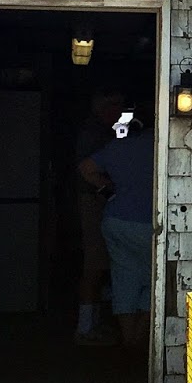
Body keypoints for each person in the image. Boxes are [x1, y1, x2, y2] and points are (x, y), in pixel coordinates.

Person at [77, 112, 156, 350]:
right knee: (154, 277)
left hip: (116, 221)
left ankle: (127, 337)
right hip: (149, 222)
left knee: (124, 278)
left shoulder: (117, 146)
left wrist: (109, 187)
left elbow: (85, 168)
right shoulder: (161, 145)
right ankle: (137, 338)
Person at [74, 89, 125, 345]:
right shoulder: (94, 134)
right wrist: (109, 186)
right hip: (93, 202)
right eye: (115, 106)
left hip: (97, 202)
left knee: (99, 264)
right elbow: (86, 169)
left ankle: (92, 324)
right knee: (93, 265)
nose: (119, 113)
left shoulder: (100, 131)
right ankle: (84, 328)